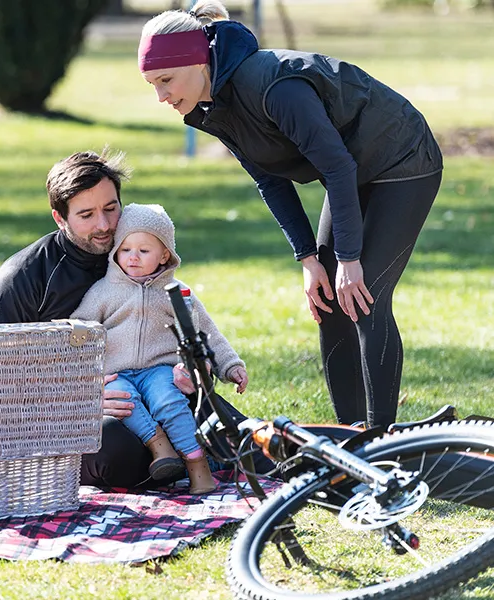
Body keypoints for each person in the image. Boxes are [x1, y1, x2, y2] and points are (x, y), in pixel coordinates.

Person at [137, 0, 443, 428]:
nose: (161, 96)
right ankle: (348, 443)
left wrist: (349, 260)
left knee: (363, 295)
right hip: (351, 172)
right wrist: (309, 259)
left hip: (402, 158)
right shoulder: (212, 107)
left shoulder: (274, 86)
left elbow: (336, 167)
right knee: (329, 301)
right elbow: (269, 179)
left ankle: (382, 446)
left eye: (166, 80)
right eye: (153, 84)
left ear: (197, 61)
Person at [0, 149, 267, 488]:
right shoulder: (22, 278)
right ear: (59, 218)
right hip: (66, 414)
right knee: (117, 453)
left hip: (161, 388)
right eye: (86, 214)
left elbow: (182, 323)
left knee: (257, 450)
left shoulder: (137, 251)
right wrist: (76, 396)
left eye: (110, 208)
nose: (104, 226)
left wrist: (195, 369)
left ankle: (195, 458)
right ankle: (186, 461)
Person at [71, 203, 248, 493]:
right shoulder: (104, 291)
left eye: (144, 251)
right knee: (125, 402)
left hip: (159, 370)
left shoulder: (176, 294)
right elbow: (80, 330)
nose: (133, 258)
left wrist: (230, 366)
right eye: (126, 250)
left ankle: (197, 466)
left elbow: (207, 332)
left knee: (170, 402)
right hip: (118, 372)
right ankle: (160, 448)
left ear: (164, 254)